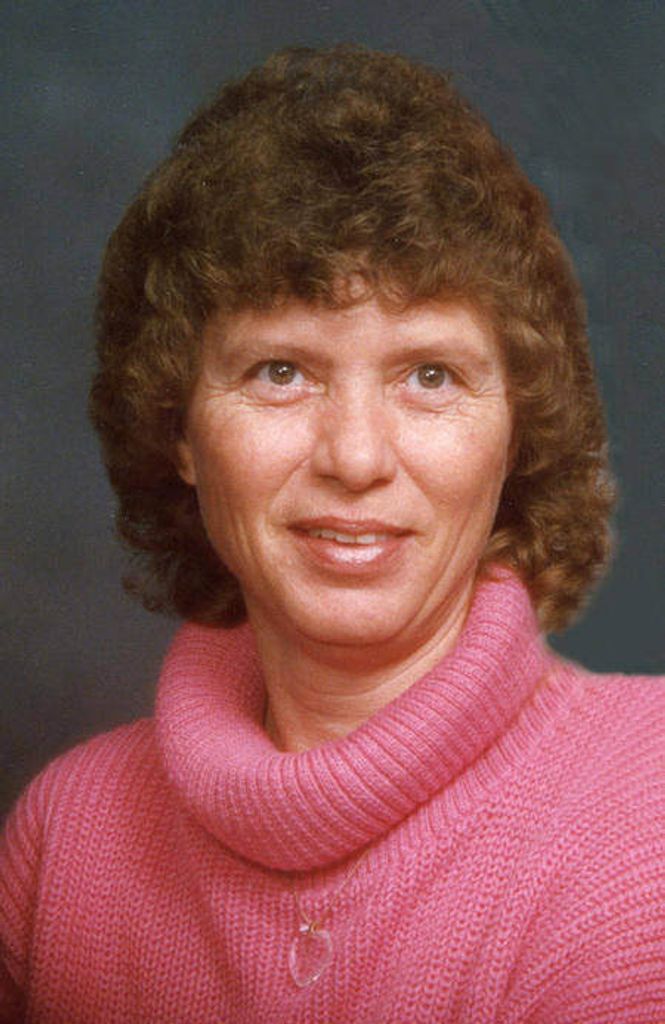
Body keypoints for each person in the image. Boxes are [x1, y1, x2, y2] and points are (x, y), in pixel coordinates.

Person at [1, 44, 663, 1024]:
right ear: (180, 430)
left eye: (429, 375)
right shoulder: (64, 841)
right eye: (280, 371)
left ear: (514, 433)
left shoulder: (646, 815)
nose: (354, 457)